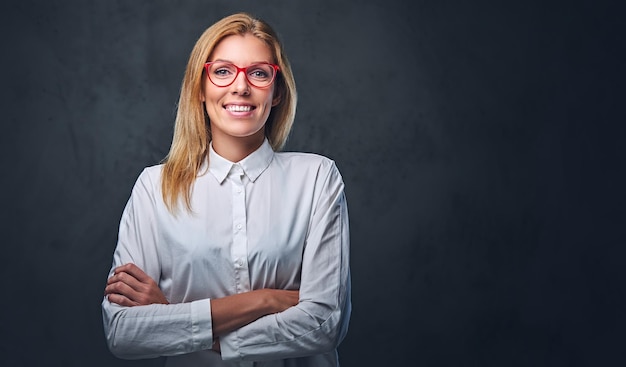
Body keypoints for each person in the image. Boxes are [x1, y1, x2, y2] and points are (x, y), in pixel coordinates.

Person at [101, 12, 351, 367]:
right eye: (222, 71)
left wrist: (172, 317)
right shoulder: (153, 188)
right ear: (200, 89)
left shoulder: (317, 178)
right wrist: (265, 301)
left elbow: (325, 323)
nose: (240, 86)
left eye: (259, 73)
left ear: (277, 92)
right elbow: (123, 332)